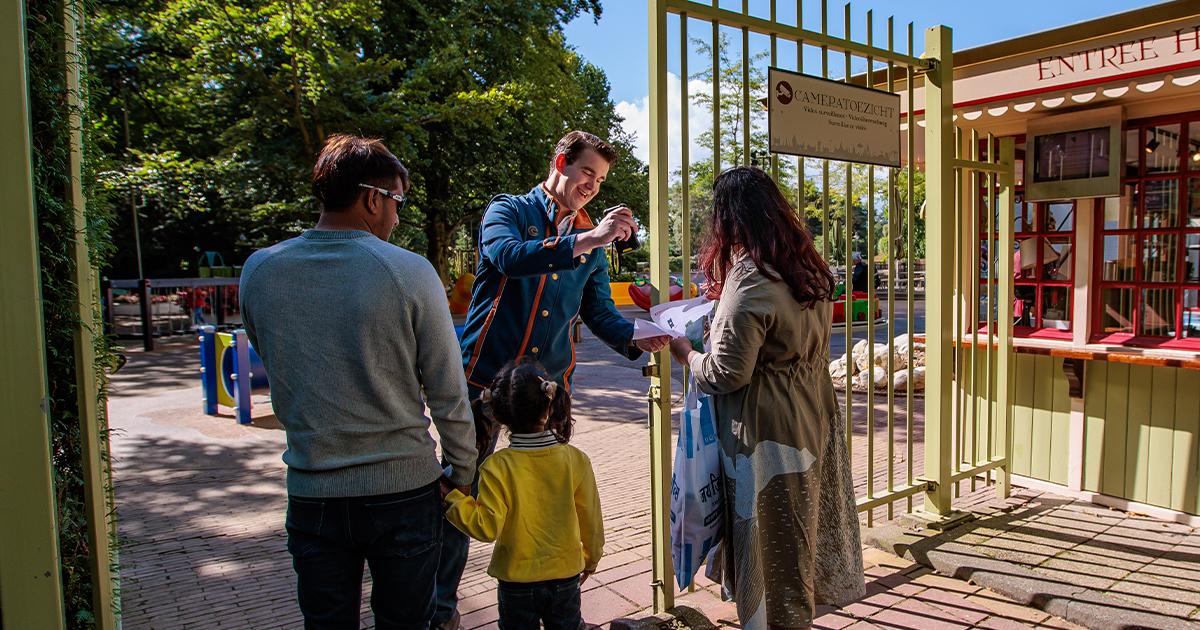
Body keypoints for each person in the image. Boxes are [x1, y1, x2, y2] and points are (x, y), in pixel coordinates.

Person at [240, 134, 478, 628]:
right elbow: (447, 389)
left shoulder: (260, 271)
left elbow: (275, 356)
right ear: (373, 198)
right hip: (404, 490)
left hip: (312, 489)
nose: (397, 218)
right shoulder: (409, 272)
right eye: (397, 203)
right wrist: (461, 470)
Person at [438, 130, 668, 627]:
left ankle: (555, 601)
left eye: (600, 180)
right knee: (462, 487)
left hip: (548, 394)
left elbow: (599, 311)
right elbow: (509, 256)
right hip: (484, 384)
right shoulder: (508, 210)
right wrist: (590, 238)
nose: (592, 186)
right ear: (561, 162)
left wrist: (639, 336)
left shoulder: (591, 238)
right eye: (587, 172)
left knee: (552, 494)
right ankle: (438, 607)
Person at [668, 166, 865, 629]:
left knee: (768, 542)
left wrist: (685, 352)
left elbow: (725, 373)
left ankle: (774, 621)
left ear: (729, 220)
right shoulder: (808, 268)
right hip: (811, 411)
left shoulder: (751, 277)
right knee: (799, 527)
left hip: (765, 430)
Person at [442, 358, 603, 630]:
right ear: (549, 405)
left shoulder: (496, 466)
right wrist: (591, 558)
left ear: (498, 415)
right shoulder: (576, 460)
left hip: (516, 582)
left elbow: (486, 527)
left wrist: (452, 499)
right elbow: (591, 518)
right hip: (565, 575)